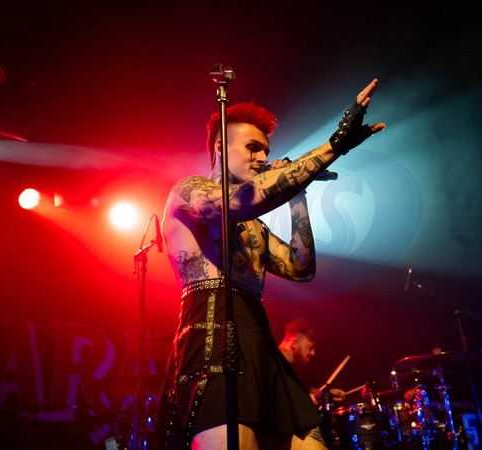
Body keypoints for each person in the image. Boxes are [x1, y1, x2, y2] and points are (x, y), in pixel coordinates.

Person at [154, 79, 385, 450]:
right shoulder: (188, 191)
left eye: (265, 150)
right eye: (252, 147)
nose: (262, 158)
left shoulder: (256, 229)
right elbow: (240, 202)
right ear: (220, 147)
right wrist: (335, 144)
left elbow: (300, 267)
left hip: (260, 342)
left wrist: (298, 196)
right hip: (212, 332)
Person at [278, 318, 347, 404]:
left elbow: (297, 390)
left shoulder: (289, 368)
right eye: (310, 348)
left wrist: (327, 393)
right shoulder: (270, 362)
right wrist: (303, 400)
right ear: (294, 344)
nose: (313, 353)